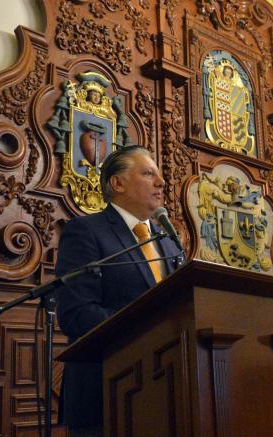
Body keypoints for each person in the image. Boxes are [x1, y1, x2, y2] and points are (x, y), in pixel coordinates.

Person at [56, 146, 183, 436]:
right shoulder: (86, 231)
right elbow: (76, 314)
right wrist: (151, 330)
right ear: (118, 183)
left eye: (159, 175)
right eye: (149, 173)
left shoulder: (169, 241)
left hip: (169, 392)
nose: (161, 182)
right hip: (105, 395)